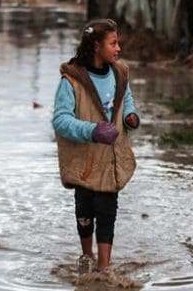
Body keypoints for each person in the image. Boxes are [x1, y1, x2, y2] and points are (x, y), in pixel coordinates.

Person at [52, 18, 140, 275]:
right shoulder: (71, 81)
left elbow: (128, 100)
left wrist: (130, 118)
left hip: (110, 159)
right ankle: (86, 256)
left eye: (118, 42)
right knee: (84, 211)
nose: (118, 48)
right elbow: (60, 120)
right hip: (85, 160)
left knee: (107, 211)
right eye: (113, 43)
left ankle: (103, 269)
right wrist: (92, 130)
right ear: (96, 46)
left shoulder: (120, 73)